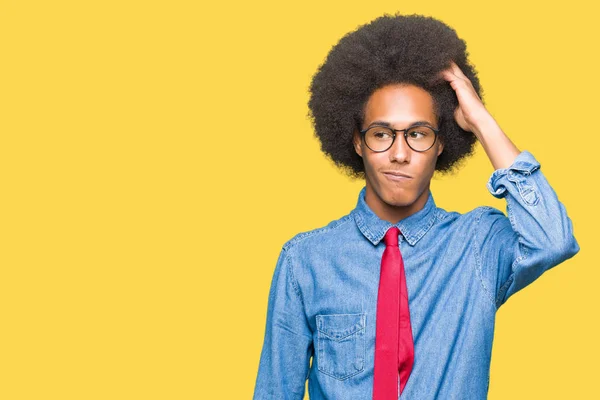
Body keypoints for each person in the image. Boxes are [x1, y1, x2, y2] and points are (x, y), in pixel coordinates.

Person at [252, 13, 580, 400]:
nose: (400, 153)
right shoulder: (305, 260)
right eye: (381, 134)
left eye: (418, 134)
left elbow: (553, 241)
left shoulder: (477, 244)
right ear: (356, 142)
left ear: (442, 143)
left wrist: (480, 121)